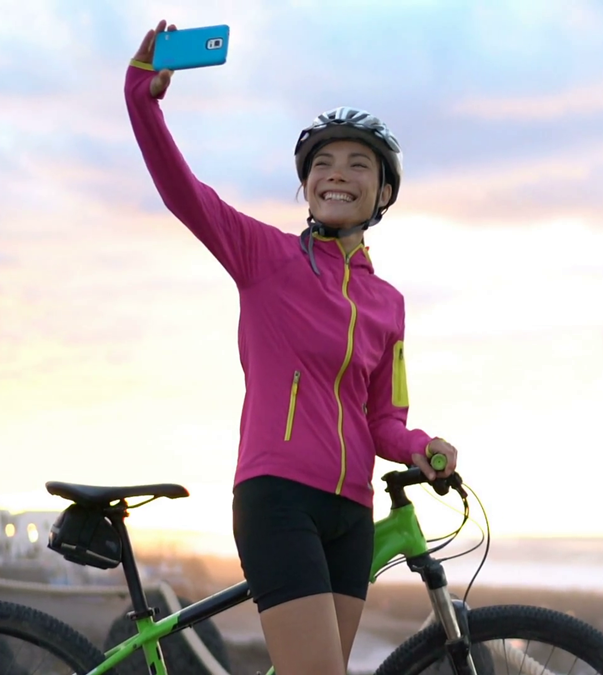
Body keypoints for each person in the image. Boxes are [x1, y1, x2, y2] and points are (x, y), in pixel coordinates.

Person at [125, 20, 459, 675]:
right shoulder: (265, 257)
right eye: (323, 164)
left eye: (358, 163)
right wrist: (142, 99)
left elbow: (383, 418)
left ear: (383, 191)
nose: (338, 175)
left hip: (350, 511)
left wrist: (422, 446)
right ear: (306, 185)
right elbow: (182, 193)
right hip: (278, 496)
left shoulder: (388, 302)